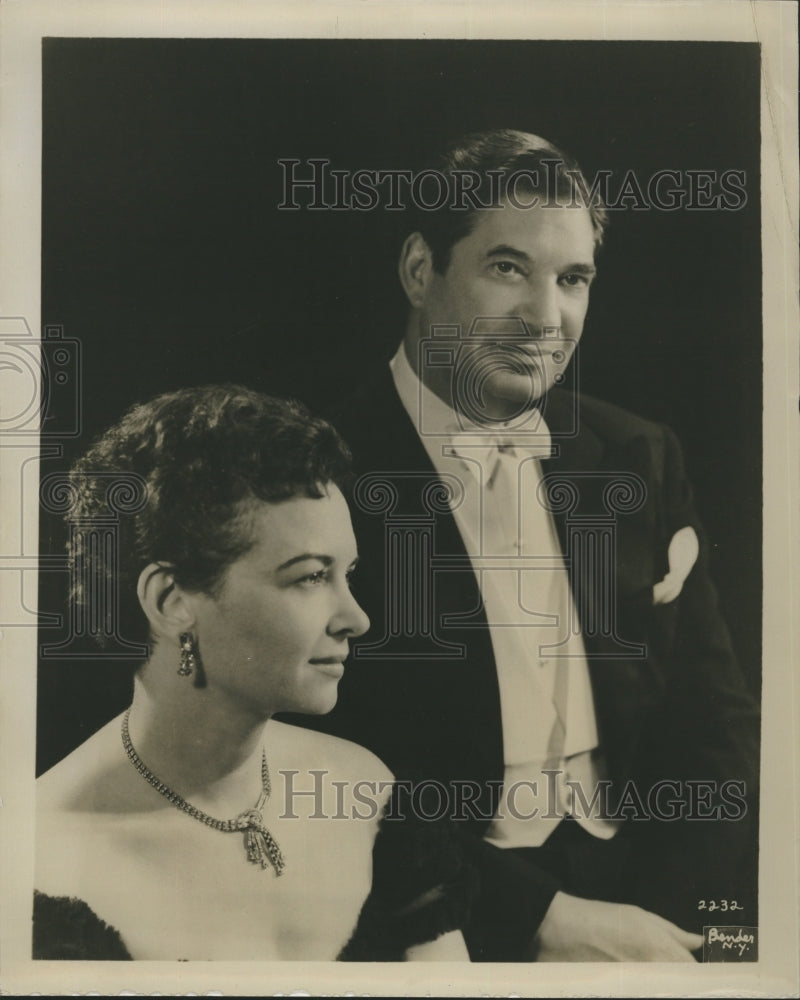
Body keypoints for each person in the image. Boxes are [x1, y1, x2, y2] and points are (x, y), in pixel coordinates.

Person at [288, 129, 761, 962]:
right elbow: (295, 770)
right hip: (431, 916)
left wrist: (668, 924)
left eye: (573, 279)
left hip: (649, 898)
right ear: (418, 270)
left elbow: (715, 723)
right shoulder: (311, 471)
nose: (546, 318)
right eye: (508, 268)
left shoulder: (641, 455)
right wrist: (537, 919)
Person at [33, 384, 473, 961]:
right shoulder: (42, 867)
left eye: (348, 574)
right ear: (171, 601)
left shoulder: (366, 795)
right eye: (310, 577)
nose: (357, 619)